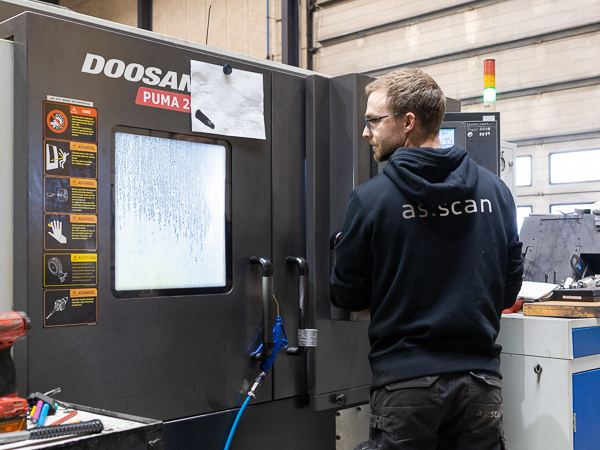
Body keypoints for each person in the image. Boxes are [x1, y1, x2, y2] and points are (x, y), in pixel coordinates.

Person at [330, 68, 524, 450]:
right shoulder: (495, 191)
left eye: (373, 120)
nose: (367, 131)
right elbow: (507, 290)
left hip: (406, 389)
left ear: (408, 122)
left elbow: (349, 296)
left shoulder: (370, 200)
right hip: (481, 387)